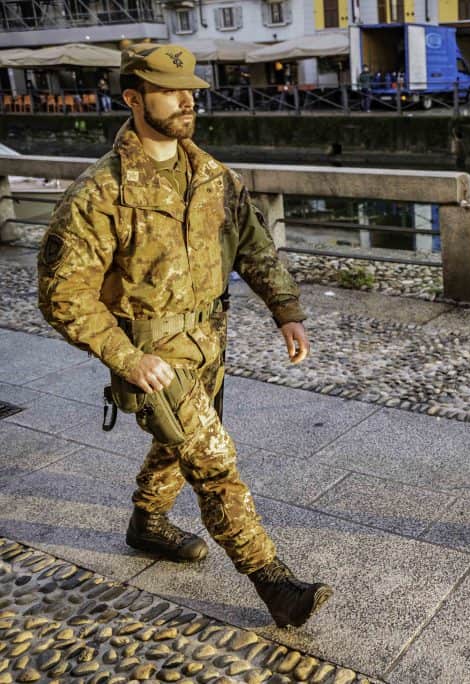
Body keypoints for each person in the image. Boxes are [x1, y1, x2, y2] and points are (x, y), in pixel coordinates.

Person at [37, 44, 333, 628]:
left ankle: (146, 524)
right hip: (152, 356)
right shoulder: (101, 193)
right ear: (132, 98)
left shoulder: (212, 175)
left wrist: (287, 311)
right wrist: (125, 358)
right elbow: (62, 295)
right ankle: (274, 582)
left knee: (181, 445)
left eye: (191, 90)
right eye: (172, 91)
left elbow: (253, 245)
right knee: (214, 461)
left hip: (208, 343)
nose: (187, 100)